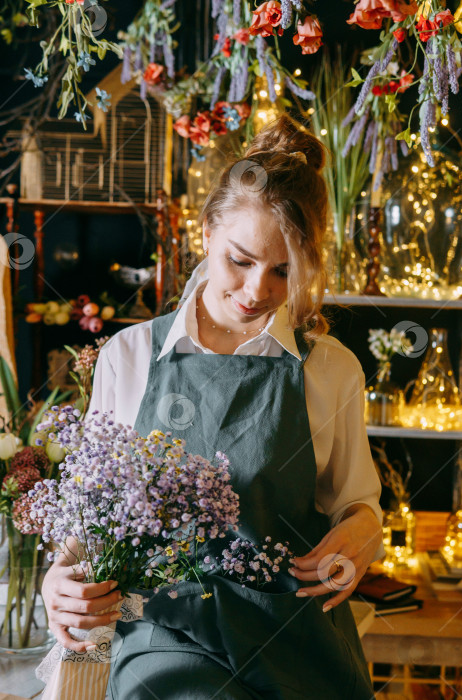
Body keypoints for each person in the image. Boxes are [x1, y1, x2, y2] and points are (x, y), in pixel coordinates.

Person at [41, 114, 384, 699]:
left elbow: (358, 505)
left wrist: (361, 534)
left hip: (292, 634)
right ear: (207, 231)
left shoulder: (331, 370)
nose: (258, 291)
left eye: (284, 270)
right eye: (241, 260)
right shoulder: (128, 357)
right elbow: (91, 519)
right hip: (166, 634)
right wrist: (60, 578)